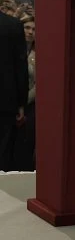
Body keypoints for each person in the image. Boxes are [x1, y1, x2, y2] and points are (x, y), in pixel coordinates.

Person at [0, 11, 28, 171]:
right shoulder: (13, 25)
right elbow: (20, 66)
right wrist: (21, 103)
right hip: (6, 99)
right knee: (3, 150)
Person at [12, 15, 36, 171]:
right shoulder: (11, 49)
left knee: (26, 143)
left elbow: (39, 84)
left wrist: (23, 101)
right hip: (11, 103)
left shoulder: (39, 53)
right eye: (27, 27)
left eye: (34, 29)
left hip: (30, 104)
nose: (30, 32)